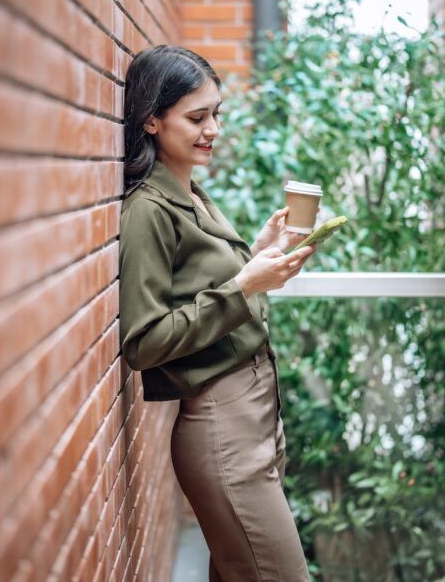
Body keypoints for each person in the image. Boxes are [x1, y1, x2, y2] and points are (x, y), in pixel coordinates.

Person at [118, 44, 315, 581]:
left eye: (216, 114)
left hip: (255, 416)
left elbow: (205, 285)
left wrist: (258, 253)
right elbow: (142, 342)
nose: (212, 129)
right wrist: (246, 285)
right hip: (222, 423)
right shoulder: (148, 211)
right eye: (197, 117)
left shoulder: (189, 190)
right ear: (152, 119)